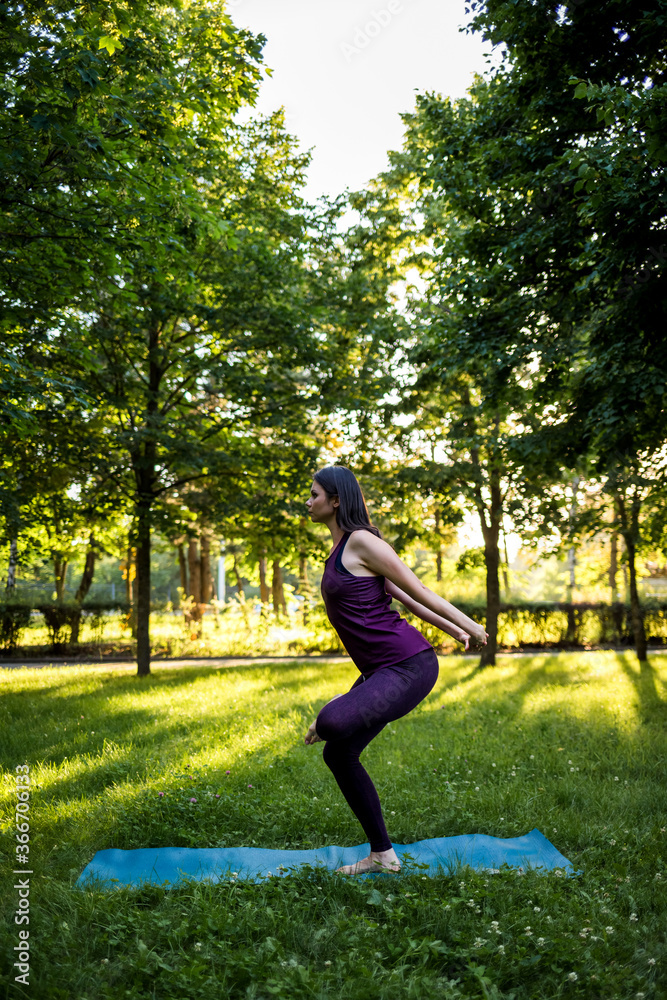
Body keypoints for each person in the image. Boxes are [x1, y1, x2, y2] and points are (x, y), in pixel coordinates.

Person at [303, 466, 488, 875]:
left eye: (315, 494)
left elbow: (418, 590)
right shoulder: (339, 552)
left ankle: (333, 707)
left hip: (408, 666)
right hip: (380, 671)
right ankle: (382, 856)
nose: (308, 500)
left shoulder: (362, 542)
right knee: (339, 754)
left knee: (332, 723)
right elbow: (409, 602)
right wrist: (455, 631)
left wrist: (470, 625)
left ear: (336, 500)